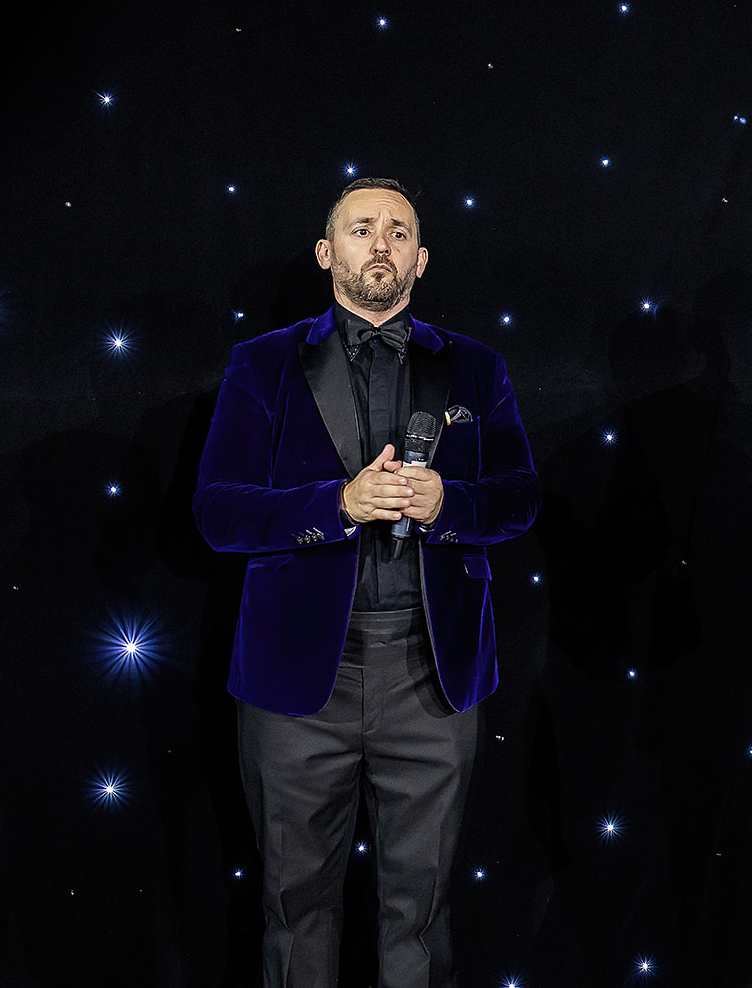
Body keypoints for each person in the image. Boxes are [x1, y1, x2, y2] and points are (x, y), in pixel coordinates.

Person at [194, 178, 540, 987]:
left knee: (420, 913)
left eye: (398, 231)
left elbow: (521, 496)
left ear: (421, 258)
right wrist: (337, 505)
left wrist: (452, 504)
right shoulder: (262, 363)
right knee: (295, 909)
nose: (380, 242)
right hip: (296, 678)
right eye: (361, 228)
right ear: (327, 253)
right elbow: (217, 511)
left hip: (432, 673)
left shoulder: (477, 367)